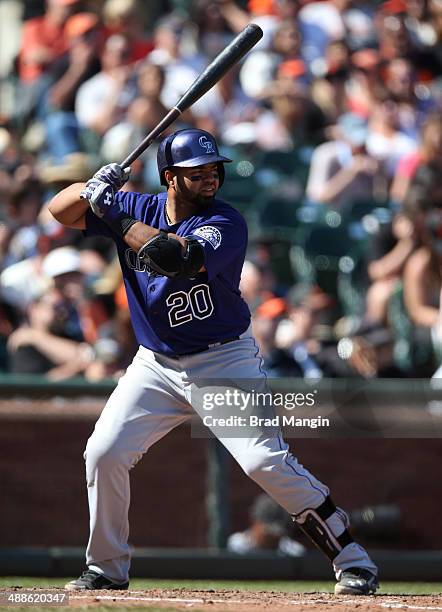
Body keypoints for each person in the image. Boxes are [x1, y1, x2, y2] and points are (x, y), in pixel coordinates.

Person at [48, 127, 378, 595]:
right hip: (156, 364)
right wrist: (90, 187)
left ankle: (351, 557)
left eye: (212, 170)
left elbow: (171, 258)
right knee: (104, 453)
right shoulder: (138, 206)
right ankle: (106, 567)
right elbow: (58, 212)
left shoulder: (224, 221)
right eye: (195, 172)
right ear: (170, 177)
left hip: (223, 362)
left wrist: (112, 211)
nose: (208, 179)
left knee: (264, 462)